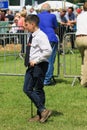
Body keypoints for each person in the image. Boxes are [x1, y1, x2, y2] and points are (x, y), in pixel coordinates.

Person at [23, 15, 52, 123]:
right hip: (32, 66)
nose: (25, 27)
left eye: (26, 25)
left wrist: (37, 60)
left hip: (39, 65)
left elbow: (48, 51)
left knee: (34, 89)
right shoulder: (32, 36)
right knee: (30, 89)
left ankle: (42, 111)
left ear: (32, 24)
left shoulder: (40, 36)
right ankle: (41, 112)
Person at [38, 3, 58, 85]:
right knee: (50, 60)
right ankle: (47, 80)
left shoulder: (37, 16)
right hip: (51, 38)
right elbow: (55, 27)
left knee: (40, 59)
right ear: (49, 10)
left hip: (40, 39)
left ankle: (40, 78)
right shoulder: (52, 16)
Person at [75, 1, 87, 87]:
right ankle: (84, 82)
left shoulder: (79, 16)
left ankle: (83, 79)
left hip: (78, 38)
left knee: (84, 60)